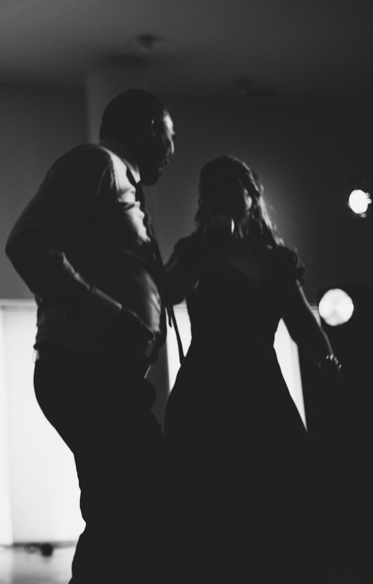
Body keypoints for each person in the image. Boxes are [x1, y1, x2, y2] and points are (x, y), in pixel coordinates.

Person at [5, 88, 176, 582]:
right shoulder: (97, 164)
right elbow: (27, 243)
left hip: (102, 372)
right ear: (151, 129)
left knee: (119, 509)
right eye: (171, 135)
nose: (172, 149)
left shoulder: (118, 178)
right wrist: (113, 318)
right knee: (135, 504)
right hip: (86, 370)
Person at [161, 156, 340, 583]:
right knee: (211, 496)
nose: (222, 193)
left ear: (252, 194)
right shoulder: (195, 250)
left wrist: (331, 364)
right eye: (212, 188)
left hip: (261, 388)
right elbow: (165, 292)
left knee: (279, 491)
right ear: (204, 201)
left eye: (231, 185)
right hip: (207, 388)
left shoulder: (276, 259)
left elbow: (303, 325)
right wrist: (199, 256)